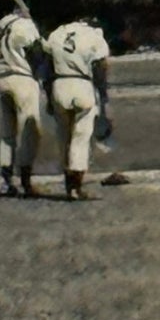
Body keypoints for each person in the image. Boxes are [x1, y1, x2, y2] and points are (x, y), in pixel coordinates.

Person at [44, 17, 112, 200]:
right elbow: (101, 68)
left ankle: (68, 186)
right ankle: (76, 187)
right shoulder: (93, 35)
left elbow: (47, 70)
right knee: (81, 138)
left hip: (59, 84)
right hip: (82, 85)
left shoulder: (56, 34)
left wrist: (49, 98)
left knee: (63, 137)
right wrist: (103, 97)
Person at [0, 0, 46, 197]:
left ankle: (6, 181)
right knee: (31, 130)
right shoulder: (26, 25)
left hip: (2, 77)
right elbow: (36, 55)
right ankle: (26, 180)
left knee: (8, 134)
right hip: (22, 78)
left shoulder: (3, 24)